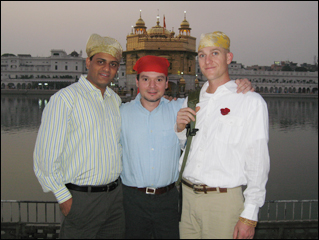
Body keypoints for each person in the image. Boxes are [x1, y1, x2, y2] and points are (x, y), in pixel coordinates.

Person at [120, 55, 254, 239]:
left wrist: (238, 86)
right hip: (131, 200)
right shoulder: (121, 113)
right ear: (137, 81)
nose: (152, 86)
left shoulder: (180, 108)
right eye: (146, 79)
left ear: (167, 83)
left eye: (158, 79)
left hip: (168, 200)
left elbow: (215, 101)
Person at [175, 31, 270, 239]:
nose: (207, 61)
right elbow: (189, 147)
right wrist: (181, 131)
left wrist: (250, 215)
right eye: (201, 55)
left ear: (228, 57)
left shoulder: (249, 101)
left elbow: (258, 161)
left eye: (214, 53)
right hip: (188, 199)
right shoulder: (192, 101)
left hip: (223, 202)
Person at [33, 33, 125, 239]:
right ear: (88, 62)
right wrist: (63, 197)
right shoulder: (65, 99)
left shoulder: (114, 101)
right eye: (101, 62)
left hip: (115, 200)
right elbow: (45, 157)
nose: (106, 69)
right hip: (82, 199)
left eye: (113, 64)